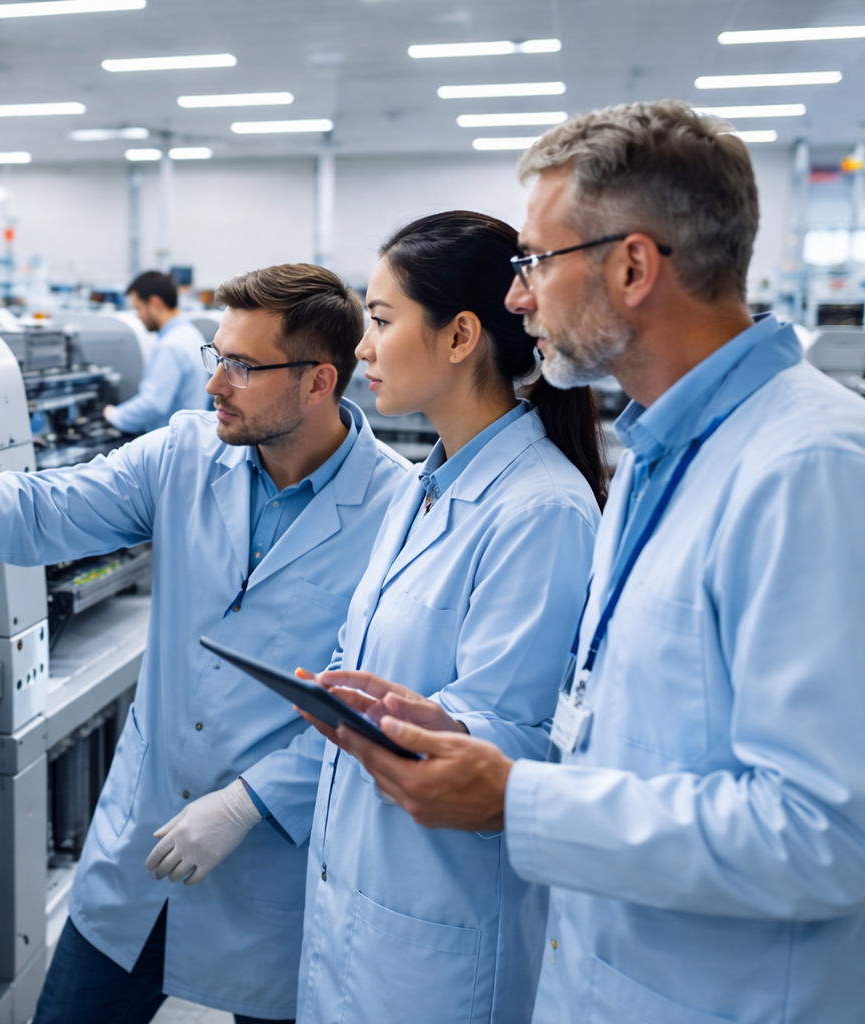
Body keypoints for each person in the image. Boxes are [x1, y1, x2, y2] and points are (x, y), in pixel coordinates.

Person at [324, 101, 865, 1024]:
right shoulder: (660, 457)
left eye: (536, 262)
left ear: (631, 265)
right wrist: (459, 726)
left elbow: (826, 836)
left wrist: (516, 801)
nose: (520, 296)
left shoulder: (806, 469)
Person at [0, 264, 410, 1024]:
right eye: (217, 357)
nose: (214, 386)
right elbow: (47, 509)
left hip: (271, 858)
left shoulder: (398, 512)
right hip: (139, 846)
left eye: (241, 366)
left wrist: (248, 805)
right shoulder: (183, 453)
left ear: (318, 382)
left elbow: (373, 708)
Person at [279, 212, 603, 1023]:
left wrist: (432, 726)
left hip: (442, 934)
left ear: (461, 336)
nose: (362, 347)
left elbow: (527, 744)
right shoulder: (425, 488)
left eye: (381, 321)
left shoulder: (542, 510)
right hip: (360, 903)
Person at [103, 270, 211, 433]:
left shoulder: (171, 345)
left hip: (170, 444)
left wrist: (114, 415)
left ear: (155, 304)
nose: (138, 316)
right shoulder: (192, 335)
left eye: (138, 308)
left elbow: (153, 404)